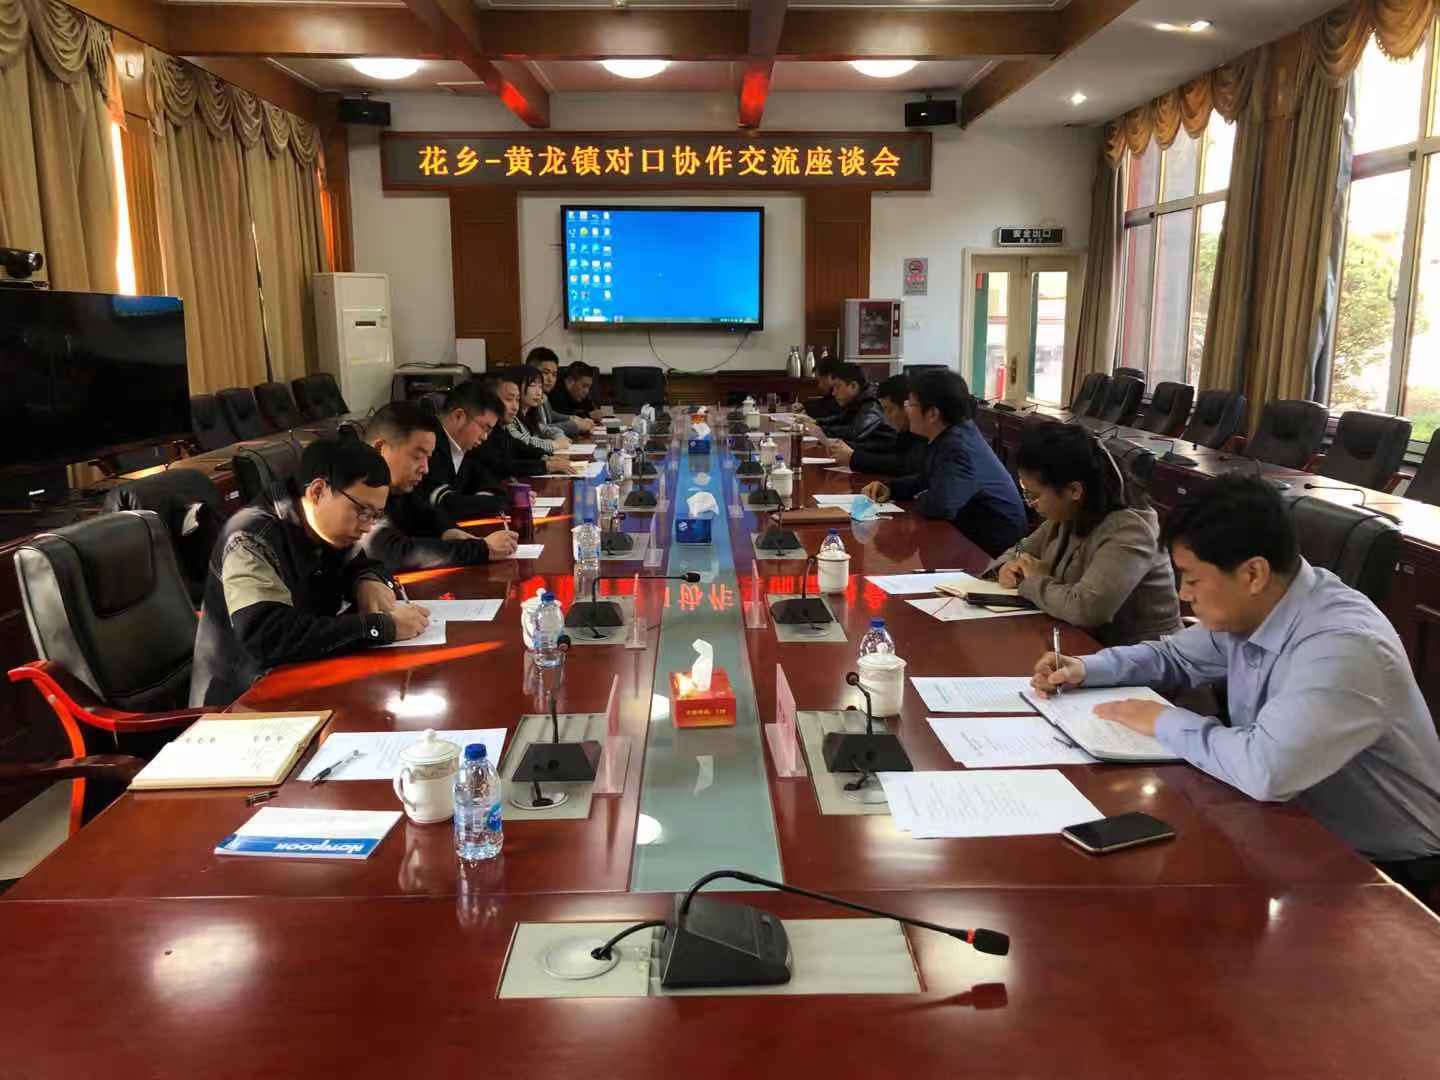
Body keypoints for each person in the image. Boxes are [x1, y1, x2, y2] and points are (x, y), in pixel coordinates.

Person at [1032, 476, 1440, 904]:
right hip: (1286, 823)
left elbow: (1265, 769)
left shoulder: (1343, 646)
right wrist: (1086, 668)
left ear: (1252, 573)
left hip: (1384, 869)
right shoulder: (1260, 605)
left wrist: (1163, 720)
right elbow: (1174, 657)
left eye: (1192, 579)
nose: (1183, 594)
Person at [190, 439, 431, 707]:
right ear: (318, 491)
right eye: (363, 511)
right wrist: (381, 627)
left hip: (306, 678)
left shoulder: (327, 525)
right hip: (245, 704)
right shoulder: (249, 539)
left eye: (376, 515)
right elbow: (270, 637)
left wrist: (368, 580)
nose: (367, 527)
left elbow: (364, 563)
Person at [985, 421, 1181, 646]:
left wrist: (1034, 581)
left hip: (1142, 656)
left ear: (1074, 490)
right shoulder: (1067, 514)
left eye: (1034, 495)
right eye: (1025, 491)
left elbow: (1085, 609)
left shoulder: (1130, 531)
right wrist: (1009, 565)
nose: (1030, 503)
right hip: (1079, 643)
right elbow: (1022, 546)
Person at [862, 370, 1027, 557]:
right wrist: (891, 489)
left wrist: (919, 497)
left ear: (933, 414)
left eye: (911, 404)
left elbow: (941, 506)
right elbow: (927, 478)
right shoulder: (951, 434)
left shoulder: (958, 447)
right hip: (968, 538)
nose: (907, 410)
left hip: (990, 552)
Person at [362, 401, 518, 572]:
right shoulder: (356, 487)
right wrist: (482, 549)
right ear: (380, 449)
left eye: (427, 458)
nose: (425, 469)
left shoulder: (396, 489)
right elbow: (394, 553)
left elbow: (429, 516)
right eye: (417, 456)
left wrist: (450, 531)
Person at [417, 380, 509, 520]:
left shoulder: (468, 450)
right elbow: (446, 505)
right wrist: (490, 502)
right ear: (458, 416)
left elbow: (493, 487)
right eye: (484, 428)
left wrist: (480, 500)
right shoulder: (428, 446)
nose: (484, 437)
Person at [473, 370, 570, 480]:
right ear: (490, 400)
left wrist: (545, 457)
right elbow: (501, 465)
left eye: (517, 400)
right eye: (509, 399)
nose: (515, 407)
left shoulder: (501, 428)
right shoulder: (484, 432)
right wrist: (545, 465)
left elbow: (520, 447)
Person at [829, 374, 925, 476]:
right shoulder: (904, 432)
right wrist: (849, 449)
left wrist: (853, 458)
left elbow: (904, 465)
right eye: (884, 410)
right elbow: (886, 450)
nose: (886, 418)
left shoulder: (922, 433)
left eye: (890, 410)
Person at [808, 363, 891, 447]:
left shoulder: (872, 402)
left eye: (838, 387)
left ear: (853, 386)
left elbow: (856, 432)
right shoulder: (857, 399)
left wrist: (820, 430)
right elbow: (841, 418)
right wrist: (816, 422)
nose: (833, 393)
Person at [529, 346, 593, 437]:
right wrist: (575, 425)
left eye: (554, 374)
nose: (550, 379)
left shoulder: (544, 396)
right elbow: (538, 430)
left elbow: (551, 415)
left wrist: (573, 418)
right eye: (546, 373)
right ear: (530, 371)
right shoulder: (526, 398)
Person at [507, 364, 571, 452]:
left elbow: (550, 430)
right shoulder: (509, 416)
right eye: (533, 385)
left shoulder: (529, 416)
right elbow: (525, 442)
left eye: (540, 386)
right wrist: (555, 444)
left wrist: (561, 439)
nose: (538, 392)